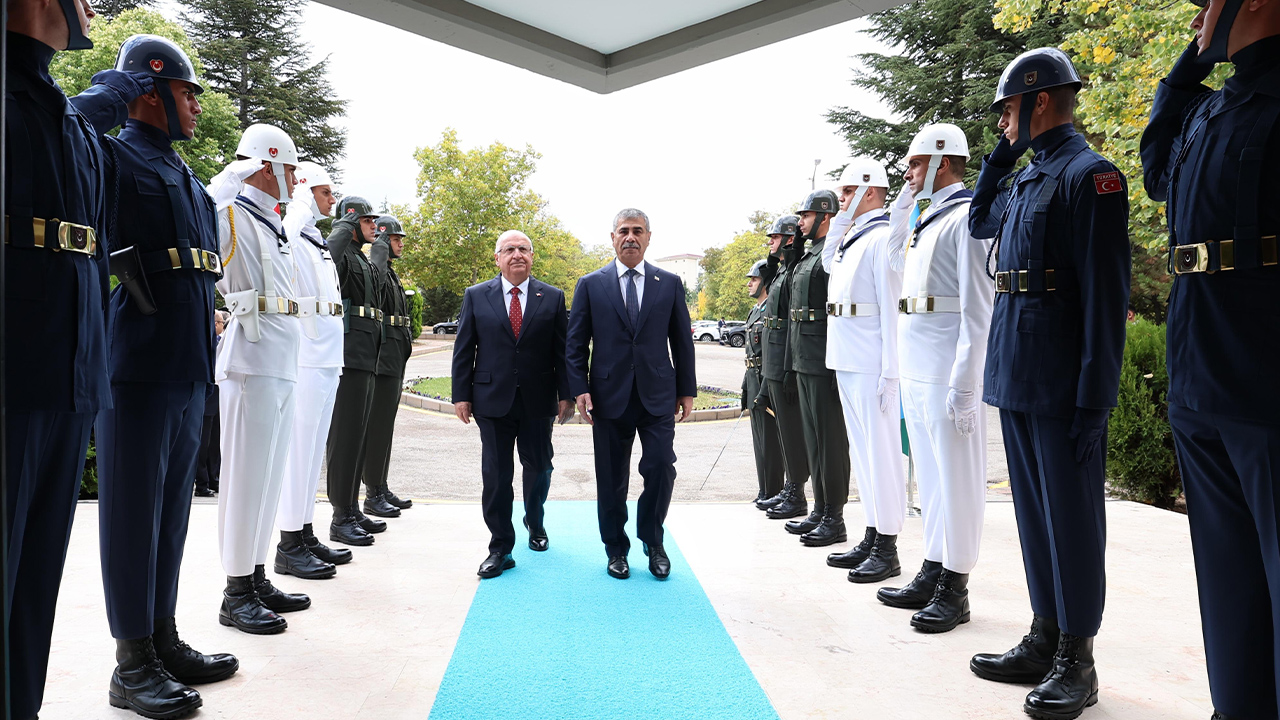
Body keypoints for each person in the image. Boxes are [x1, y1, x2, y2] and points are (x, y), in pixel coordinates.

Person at [75, 35, 235, 717]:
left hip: (187, 361)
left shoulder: (184, 172)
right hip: (137, 360)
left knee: (170, 516)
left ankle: (162, 637)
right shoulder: (109, 153)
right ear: (150, 90)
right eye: (187, 92)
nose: (197, 104)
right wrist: (116, 83)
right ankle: (130, 660)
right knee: (132, 516)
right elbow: (72, 129)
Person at [968, 48, 1130, 720]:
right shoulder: (1031, 178)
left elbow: (1104, 295)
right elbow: (980, 225)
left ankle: (1078, 658)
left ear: (1038, 102)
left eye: (1007, 110)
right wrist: (1000, 161)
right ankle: (1044, 635)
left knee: (1072, 524)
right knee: (1036, 521)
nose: (1002, 123)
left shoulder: (1092, 177)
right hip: (1017, 369)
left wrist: (1097, 397)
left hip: (1064, 380)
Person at [1140, 3, 1280, 718]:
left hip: (1266, 374)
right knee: (1227, 583)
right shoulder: (1208, 110)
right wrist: (1184, 71)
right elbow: (1158, 174)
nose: (1199, 14)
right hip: (1201, 366)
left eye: (1211, 1)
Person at [5, 2, 110, 717]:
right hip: (11, 370)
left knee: (34, 587)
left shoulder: (65, 119)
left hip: (69, 369)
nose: (92, 7)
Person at [877, 124, 993, 633]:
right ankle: (932, 567)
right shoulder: (927, 219)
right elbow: (889, 254)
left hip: (948, 372)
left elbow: (978, 308)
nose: (907, 172)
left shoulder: (968, 217)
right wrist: (904, 203)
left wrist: (965, 384)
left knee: (958, 483)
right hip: (919, 371)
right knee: (931, 479)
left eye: (915, 164)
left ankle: (956, 585)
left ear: (942, 163)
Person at [207, 123, 313, 634]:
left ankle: (254, 573)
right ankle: (234, 591)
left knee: (268, 478)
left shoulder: (272, 223)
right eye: (287, 167)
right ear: (266, 165)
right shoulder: (229, 213)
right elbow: (198, 217)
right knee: (245, 480)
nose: (294, 177)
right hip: (248, 358)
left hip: (280, 355)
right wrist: (231, 177)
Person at [566, 209, 696, 580]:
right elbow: (576, 344)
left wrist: (686, 389)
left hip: (658, 394)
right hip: (608, 397)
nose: (630, 237)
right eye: (623, 231)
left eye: (637, 231)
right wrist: (580, 389)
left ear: (649, 237)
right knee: (611, 477)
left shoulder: (668, 283)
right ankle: (615, 549)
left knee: (660, 466)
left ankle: (653, 540)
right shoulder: (590, 284)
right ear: (612, 238)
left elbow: (681, 341)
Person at [452, 230, 574, 578]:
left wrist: (566, 394)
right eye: (509, 250)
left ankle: (535, 522)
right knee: (496, 475)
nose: (517, 254)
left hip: (538, 400)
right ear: (498, 258)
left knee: (539, 468)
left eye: (523, 249)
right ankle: (500, 547)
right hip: (491, 401)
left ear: (532, 257)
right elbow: (464, 349)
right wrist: (462, 394)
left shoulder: (551, 297)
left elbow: (562, 352)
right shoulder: (476, 296)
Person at [819, 163, 904, 575]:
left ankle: (887, 548)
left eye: (849, 193)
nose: (842, 201)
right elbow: (827, 265)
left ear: (871, 191)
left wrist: (891, 372)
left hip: (872, 363)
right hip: (847, 358)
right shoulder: (853, 239)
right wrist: (840, 222)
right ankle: (871, 534)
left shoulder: (883, 237)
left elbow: (892, 311)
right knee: (863, 453)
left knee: (882, 454)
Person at [275, 161, 349, 580]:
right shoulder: (293, 231)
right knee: (298, 453)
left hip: (325, 355)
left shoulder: (314, 240)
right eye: (324, 192)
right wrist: (300, 199)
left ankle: (303, 531)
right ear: (305, 191)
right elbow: (286, 229)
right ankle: (288, 543)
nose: (331, 200)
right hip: (305, 355)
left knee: (312, 452)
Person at [781, 189, 852, 549]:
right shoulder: (807, 256)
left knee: (830, 441)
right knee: (813, 439)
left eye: (806, 216)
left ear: (825, 217)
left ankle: (834, 516)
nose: (801, 222)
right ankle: (821, 507)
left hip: (824, 357)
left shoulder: (832, 254)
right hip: (803, 356)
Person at [325, 195, 386, 546]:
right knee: (345, 438)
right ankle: (339, 515)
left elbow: (375, 289)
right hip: (348, 354)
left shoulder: (359, 258)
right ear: (350, 222)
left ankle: (349, 508)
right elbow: (330, 268)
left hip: (365, 353)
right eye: (366, 222)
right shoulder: (339, 253)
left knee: (358, 436)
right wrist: (343, 227)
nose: (372, 228)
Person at [755, 215, 814, 521]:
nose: (770, 243)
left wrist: (790, 366)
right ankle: (791, 487)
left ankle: (797, 491)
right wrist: (773, 256)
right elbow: (766, 270)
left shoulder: (794, 271)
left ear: (790, 239)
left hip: (784, 360)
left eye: (775, 238)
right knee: (784, 430)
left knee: (792, 431)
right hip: (775, 359)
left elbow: (792, 323)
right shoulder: (782, 272)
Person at [361, 215, 417, 518]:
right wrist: (379, 250)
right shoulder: (379, 266)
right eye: (395, 239)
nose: (400, 244)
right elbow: (376, 288)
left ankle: (380, 485)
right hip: (383, 356)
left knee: (386, 426)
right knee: (378, 426)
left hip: (394, 352)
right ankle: (372, 493)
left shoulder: (392, 273)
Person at [742, 259, 784, 508]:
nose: (750, 283)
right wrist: (746, 386)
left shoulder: (770, 311)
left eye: (755, 279)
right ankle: (764, 489)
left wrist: (765, 388)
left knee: (771, 441)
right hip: (753, 379)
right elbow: (750, 351)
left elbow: (771, 354)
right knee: (759, 441)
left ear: (765, 282)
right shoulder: (754, 311)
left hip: (766, 379)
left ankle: (775, 491)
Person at [196, 311, 228, 498]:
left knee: (215, 442)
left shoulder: (221, 341)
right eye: (221, 322)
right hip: (207, 396)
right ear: (216, 324)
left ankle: (213, 479)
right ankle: (202, 483)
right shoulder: (208, 341)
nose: (222, 325)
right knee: (203, 443)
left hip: (218, 397)